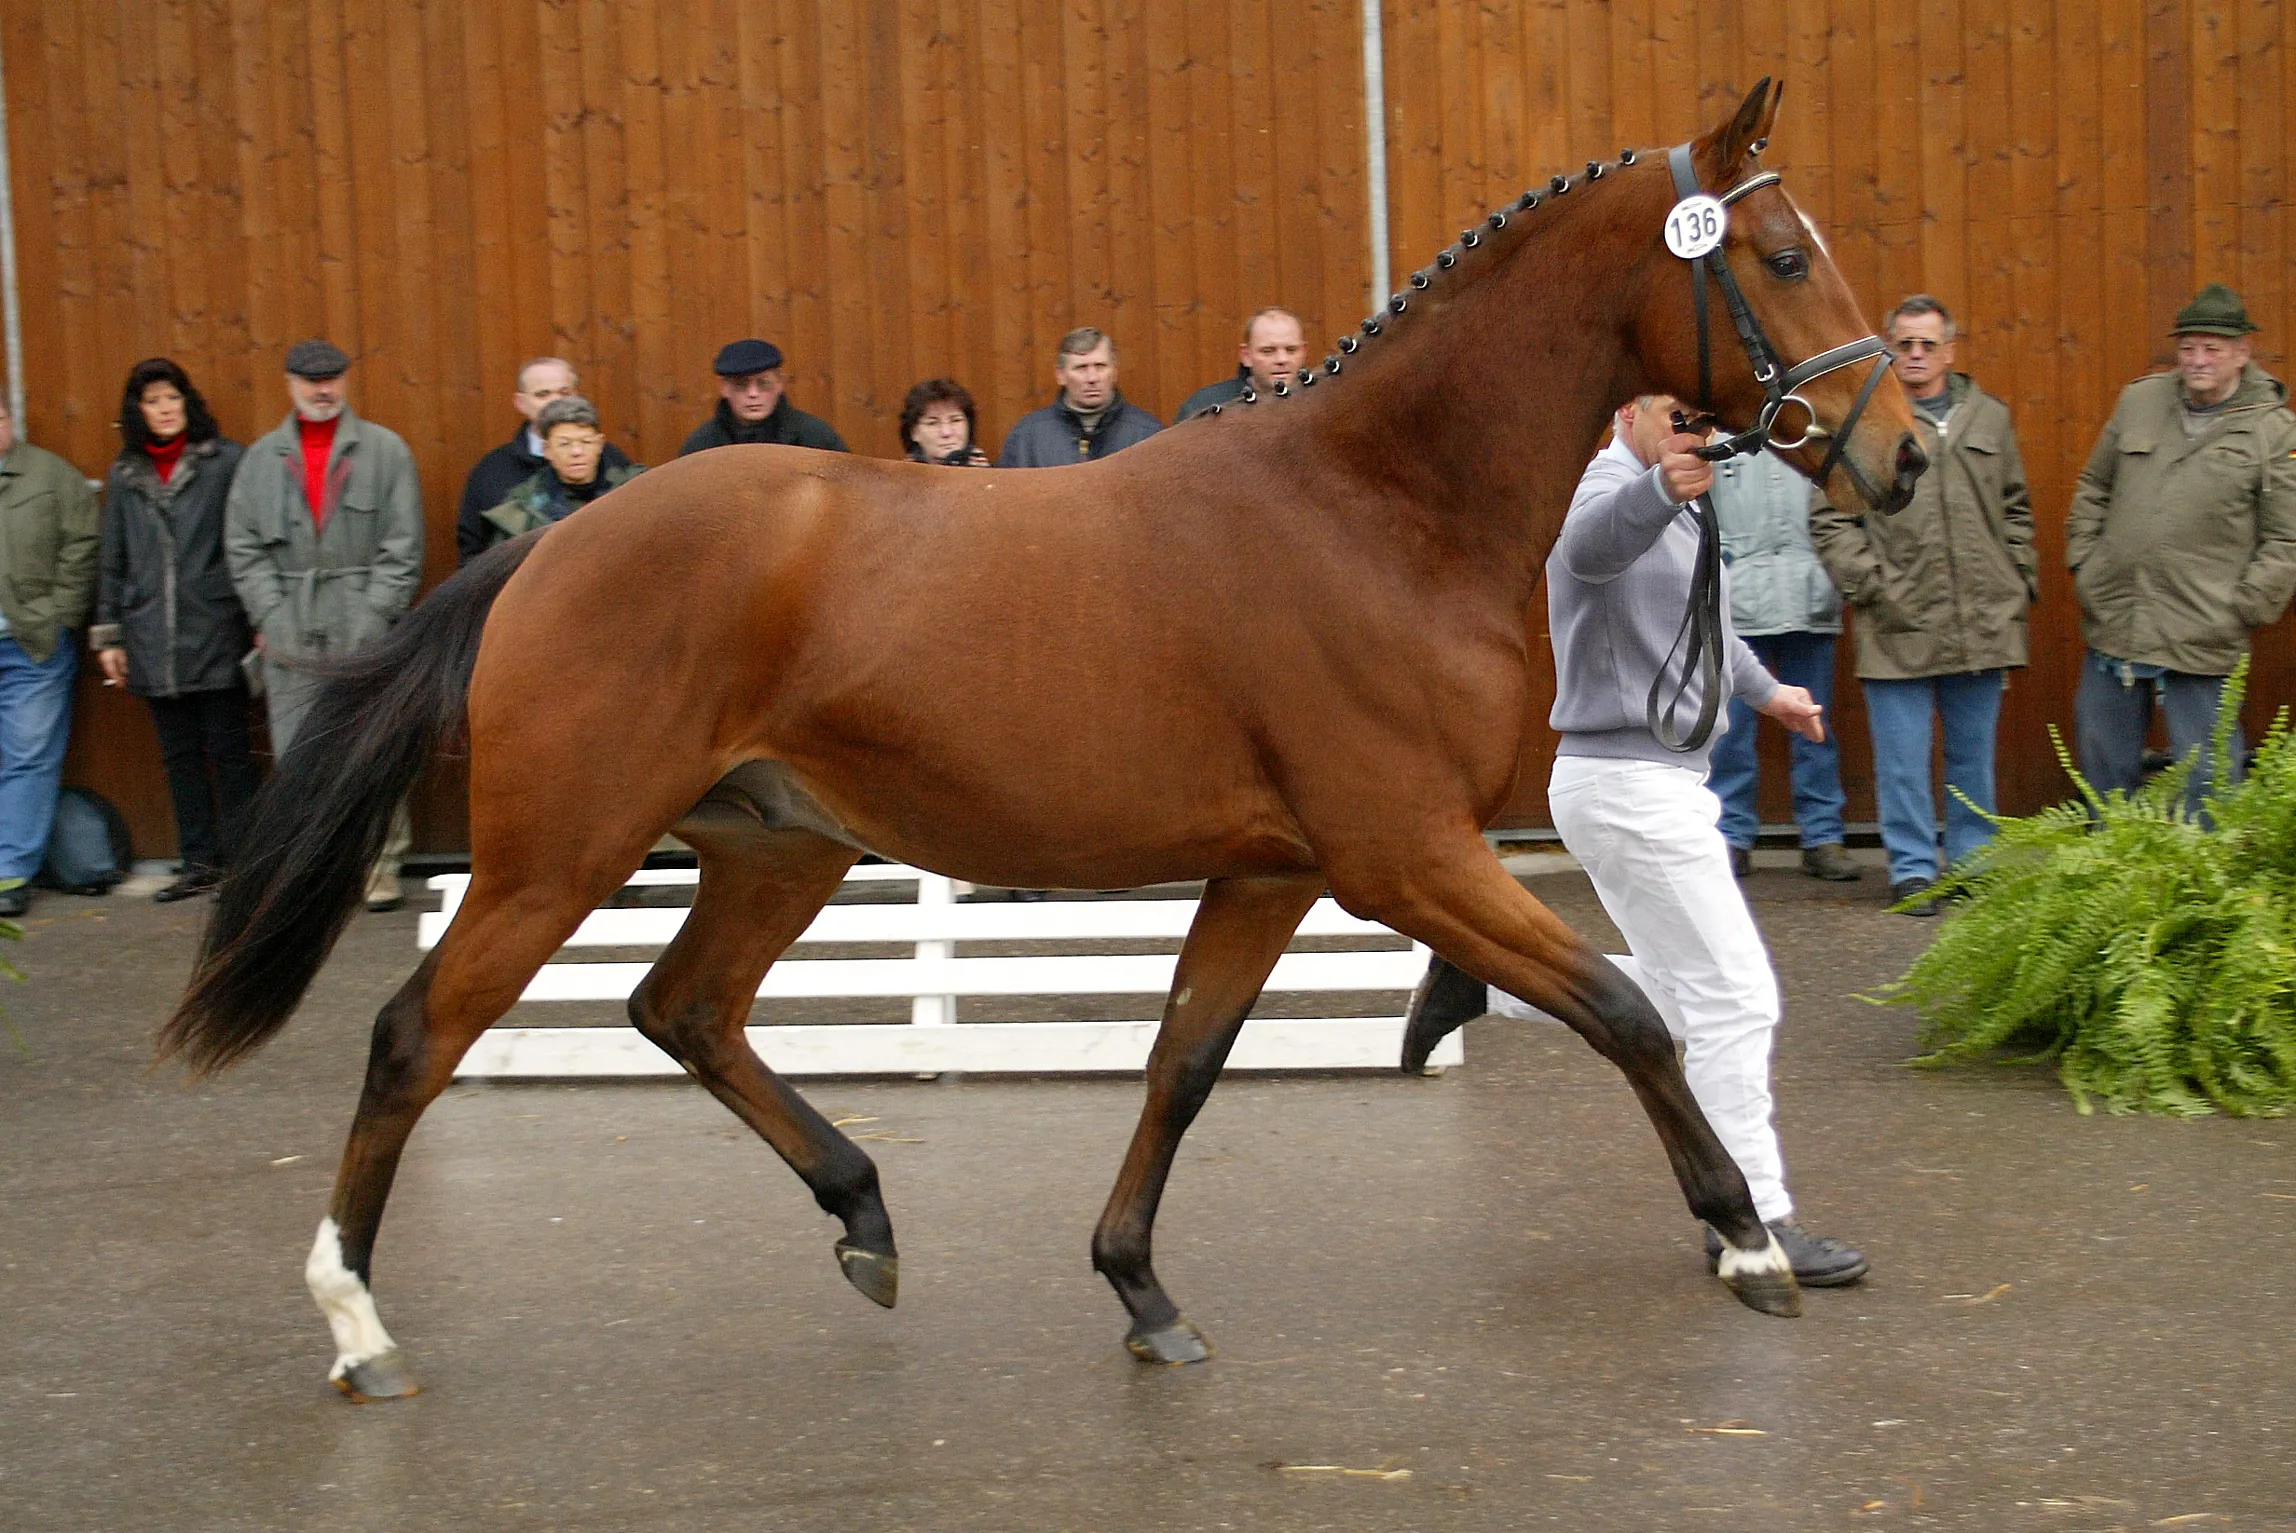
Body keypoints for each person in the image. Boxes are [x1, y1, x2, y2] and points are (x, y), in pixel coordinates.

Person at [1407, 395, 1866, 1287]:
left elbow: (1705, 619)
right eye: (1679, 415)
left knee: (1693, 999)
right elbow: (1587, 549)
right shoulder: (1604, 485)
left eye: (1706, 421)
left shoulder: (1677, 494)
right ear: (1627, 410)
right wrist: (1660, 488)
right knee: (1739, 999)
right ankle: (1754, 1221)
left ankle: (1487, 982)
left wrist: (1768, 693)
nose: (1698, 434)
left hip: (1655, 783)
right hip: (1629, 786)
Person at [1811, 295, 2035, 914]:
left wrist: (2017, 581)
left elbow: (2016, 509)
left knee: (1972, 758)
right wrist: (1875, 588)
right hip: (1897, 624)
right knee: (1904, 764)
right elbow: (1830, 520)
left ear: (1949, 351)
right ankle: (1913, 871)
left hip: (1982, 623)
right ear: (1888, 350)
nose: (1914, 355)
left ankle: (1972, 863)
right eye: (1903, 344)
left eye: (1927, 345)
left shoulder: (1989, 418)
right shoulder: (1864, 420)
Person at [2067, 282, 2296, 815]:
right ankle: (2108, 860)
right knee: (2103, 767)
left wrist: (2243, 609)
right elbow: (2094, 486)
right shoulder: (2139, 401)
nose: (2197, 360)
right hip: (2118, 618)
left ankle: (2204, 867)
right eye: (2188, 347)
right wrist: (2088, 565)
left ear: (2242, 352)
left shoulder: (2273, 431)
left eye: (2212, 348)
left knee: (2208, 778)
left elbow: (2286, 538)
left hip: (2204, 632)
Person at [223, 340, 424, 912]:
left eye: (331, 377)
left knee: (372, 747)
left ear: (345, 380)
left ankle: (379, 866)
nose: (322, 388)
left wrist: (374, 616)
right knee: (299, 755)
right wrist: (271, 614)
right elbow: (242, 547)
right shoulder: (261, 461)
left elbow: (403, 547)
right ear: (290, 384)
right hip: (291, 623)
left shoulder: (385, 452)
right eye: (310, 379)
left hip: (364, 621)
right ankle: (314, 873)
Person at [90, 359, 261, 903]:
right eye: (152, 401)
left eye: (172, 397)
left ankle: (247, 867)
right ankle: (199, 864)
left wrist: (258, 618)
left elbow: (250, 542)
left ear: (187, 402)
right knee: (179, 756)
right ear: (137, 411)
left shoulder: (225, 461)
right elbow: (112, 557)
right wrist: (110, 635)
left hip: (217, 627)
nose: (164, 409)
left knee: (231, 753)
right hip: (150, 636)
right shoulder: (126, 473)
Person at [1704, 447, 1858, 883]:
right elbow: (1697, 515)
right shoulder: (1723, 434)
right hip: (1736, 607)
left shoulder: (1809, 434)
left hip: (1809, 600)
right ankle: (1730, 836)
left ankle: (1822, 838)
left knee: (1815, 730)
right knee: (1730, 733)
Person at [0, 398, 100, 918]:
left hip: (31, 643)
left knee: (28, 756)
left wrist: (61, 615)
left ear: (10, 419)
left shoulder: (50, 476)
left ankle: (9, 873)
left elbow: (82, 545)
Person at [456, 357, 632, 565]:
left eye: (564, 392)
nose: (555, 402)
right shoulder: (492, 471)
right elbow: (473, 554)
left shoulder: (611, 461)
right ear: (521, 403)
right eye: (543, 394)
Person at [467, 397, 642, 555]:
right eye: (564, 444)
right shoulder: (521, 512)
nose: (577, 451)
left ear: (600, 444)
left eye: (586, 442)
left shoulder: (635, 491)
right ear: (547, 450)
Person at [995, 328, 1161, 466]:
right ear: (1060, 375)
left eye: (1100, 366)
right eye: (1081, 368)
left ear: (1115, 371)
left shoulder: (1148, 434)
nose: (1092, 378)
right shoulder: (1027, 437)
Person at [679, 339, 847, 456]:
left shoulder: (815, 437)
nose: (753, 393)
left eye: (764, 383)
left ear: (779, 383)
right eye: (741, 385)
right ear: (725, 388)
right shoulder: (701, 445)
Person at [1176, 307, 1308, 421]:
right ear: (1246, 356)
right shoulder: (1205, 407)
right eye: (1268, 351)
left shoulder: (1318, 403)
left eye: (1291, 350)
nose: (1282, 359)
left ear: (1303, 352)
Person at [901, 378, 992, 466]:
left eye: (955, 420)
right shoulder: (901, 474)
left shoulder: (990, 473)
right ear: (914, 432)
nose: (946, 432)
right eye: (933, 423)